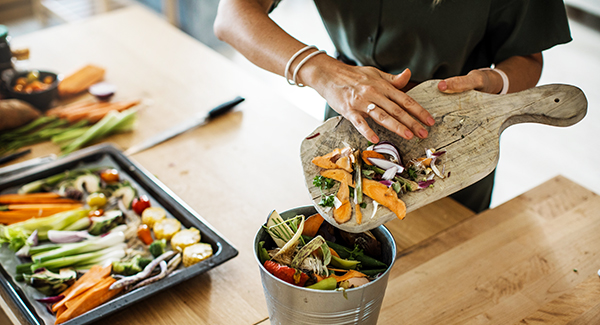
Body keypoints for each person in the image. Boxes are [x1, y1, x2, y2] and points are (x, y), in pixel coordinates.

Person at [214, 0, 572, 212]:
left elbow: (526, 54)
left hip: (457, 133)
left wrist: (494, 84)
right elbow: (233, 14)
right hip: (351, 120)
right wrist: (324, 72)